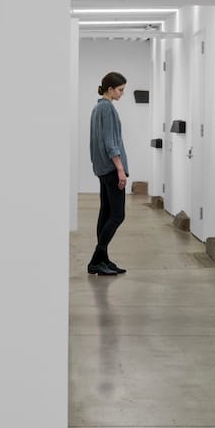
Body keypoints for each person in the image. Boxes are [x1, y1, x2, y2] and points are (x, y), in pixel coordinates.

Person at [88, 71, 130, 276]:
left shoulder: (97, 108)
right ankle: (96, 260)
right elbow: (110, 142)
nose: (122, 93)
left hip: (102, 169)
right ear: (110, 89)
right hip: (112, 169)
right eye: (120, 90)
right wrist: (120, 169)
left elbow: (96, 142)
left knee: (106, 213)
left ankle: (103, 259)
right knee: (117, 215)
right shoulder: (107, 109)